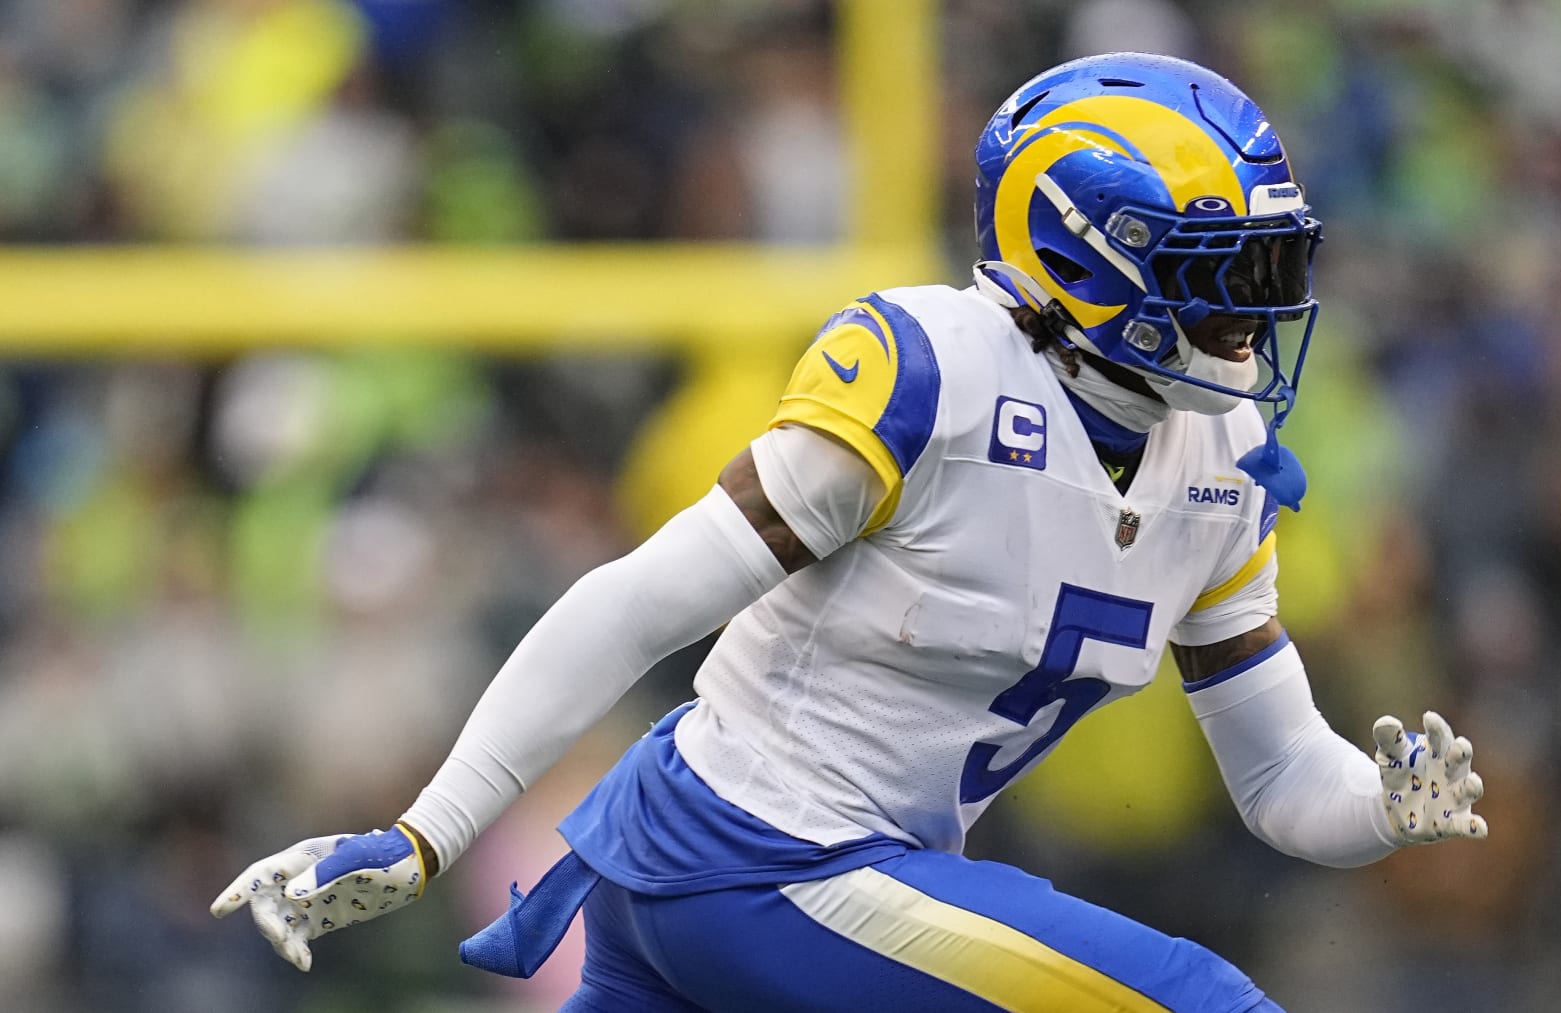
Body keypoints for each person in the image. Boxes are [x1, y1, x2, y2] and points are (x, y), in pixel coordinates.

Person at [213, 52, 1487, 1012]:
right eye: (1224, 275)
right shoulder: (930, 375)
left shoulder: (1221, 469)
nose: (1256, 320)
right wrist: (431, 827)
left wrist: (1385, 804)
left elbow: (1278, 779)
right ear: (1087, 258)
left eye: (1268, 274)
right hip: (760, 855)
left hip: (786, 882)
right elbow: (640, 598)